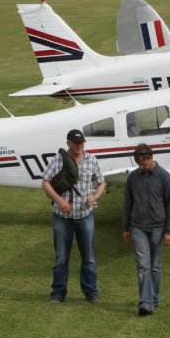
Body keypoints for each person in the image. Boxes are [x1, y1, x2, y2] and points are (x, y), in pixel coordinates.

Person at [42, 129, 106, 303]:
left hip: (85, 215)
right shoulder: (58, 161)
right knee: (61, 258)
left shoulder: (92, 160)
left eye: (82, 143)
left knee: (89, 257)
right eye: (76, 143)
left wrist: (94, 197)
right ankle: (58, 293)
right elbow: (45, 183)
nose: (80, 146)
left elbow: (101, 183)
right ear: (68, 143)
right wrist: (60, 202)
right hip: (62, 217)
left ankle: (91, 292)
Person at [123, 143, 170, 316]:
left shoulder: (164, 177)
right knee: (143, 266)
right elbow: (128, 204)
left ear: (151, 158)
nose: (141, 167)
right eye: (138, 164)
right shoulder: (132, 177)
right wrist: (126, 227)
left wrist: (169, 230)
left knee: (155, 266)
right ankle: (145, 303)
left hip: (158, 229)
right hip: (138, 227)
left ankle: (153, 299)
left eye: (143, 164)